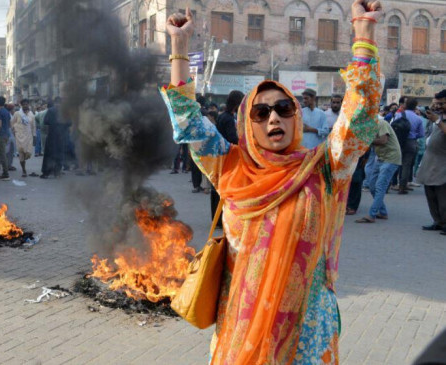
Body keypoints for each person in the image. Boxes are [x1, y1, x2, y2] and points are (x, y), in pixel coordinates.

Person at [163, 1, 382, 362]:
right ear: (247, 123)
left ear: (296, 116)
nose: (273, 119)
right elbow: (187, 121)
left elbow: (358, 118)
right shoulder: (229, 165)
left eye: (284, 108)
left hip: (306, 330)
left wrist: (364, 34)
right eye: (261, 112)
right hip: (241, 323)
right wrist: (179, 47)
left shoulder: (324, 168)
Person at [355, 117, 401, 223]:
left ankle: (372, 214)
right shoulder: (369, 127)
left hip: (391, 158)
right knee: (372, 186)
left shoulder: (381, 123)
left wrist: (366, 140)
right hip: (381, 158)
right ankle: (383, 212)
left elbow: (383, 140)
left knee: (380, 187)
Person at [211, 90, 243, 223]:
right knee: (223, 187)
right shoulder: (229, 119)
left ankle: (216, 218)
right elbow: (232, 139)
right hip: (227, 157)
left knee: (217, 186)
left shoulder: (222, 116)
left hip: (219, 155)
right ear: (237, 104)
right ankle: (219, 219)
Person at [416, 90, 446, 235]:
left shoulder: (439, 120)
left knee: (442, 197)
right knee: (431, 194)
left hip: (442, 164)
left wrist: (438, 122)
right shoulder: (438, 117)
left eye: (442, 103)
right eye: (436, 103)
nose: (438, 106)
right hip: (430, 162)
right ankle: (438, 222)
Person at [394, 97, 424, 194]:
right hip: (411, 142)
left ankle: (390, 184)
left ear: (405, 105)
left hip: (398, 141)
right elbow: (421, 134)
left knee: (394, 162)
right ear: (415, 106)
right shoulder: (418, 118)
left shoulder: (398, 115)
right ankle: (402, 187)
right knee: (407, 165)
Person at [40, 98, 68, 178]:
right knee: (60, 154)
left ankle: (46, 173)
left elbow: (45, 121)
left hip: (52, 136)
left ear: (55, 103)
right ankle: (57, 172)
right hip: (61, 136)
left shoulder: (51, 110)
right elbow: (69, 123)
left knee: (49, 154)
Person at [11, 99, 36, 177]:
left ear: (28, 105)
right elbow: (12, 123)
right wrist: (15, 131)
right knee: (21, 153)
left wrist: (34, 136)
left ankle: (24, 161)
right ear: (21, 105)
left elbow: (33, 126)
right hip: (19, 136)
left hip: (29, 136)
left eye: (26, 104)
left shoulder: (31, 114)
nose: (25, 105)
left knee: (28, 153)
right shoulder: (17, 113)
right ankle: (24, 170)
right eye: (24, 104)